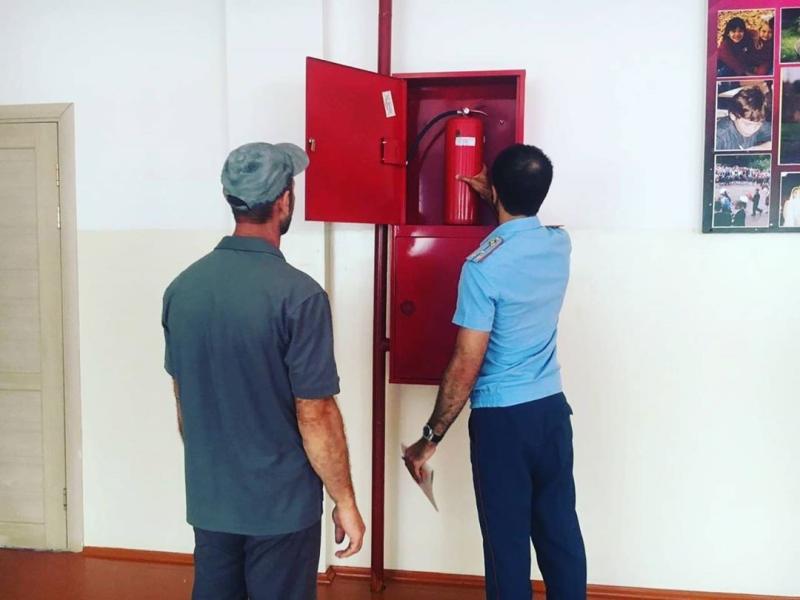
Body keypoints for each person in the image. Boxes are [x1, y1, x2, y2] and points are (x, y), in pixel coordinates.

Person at [161, 142, 365, 600]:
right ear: (284, 201)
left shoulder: (182, 289)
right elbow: (316, 413)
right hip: (280, 509)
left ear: (230, 198)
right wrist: (345, 501)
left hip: (211, 499)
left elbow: (183, 399)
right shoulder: (300, 296)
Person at [403, 144, 586, 600]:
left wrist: (430, 437)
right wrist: (501, 196)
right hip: (551, 412)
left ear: (496, 191)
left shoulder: (483, 267)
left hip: (503, 423)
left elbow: (467, 363)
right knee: (560, 534)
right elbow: (524, 222)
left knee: (506, 546)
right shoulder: (559, 245)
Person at [716, 85, 771, 151]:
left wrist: (757, 148)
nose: (753, 129)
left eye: (758, 125)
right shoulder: (719, 137)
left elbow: (777, 140)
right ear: (733, 116)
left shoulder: (756, 120)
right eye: (747, 124)